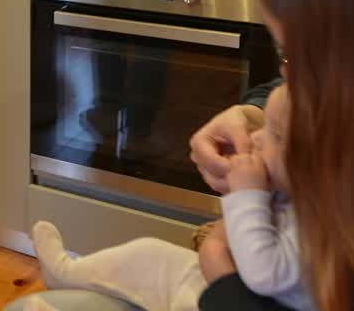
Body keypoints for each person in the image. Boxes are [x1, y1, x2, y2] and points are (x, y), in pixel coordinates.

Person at [12, 0, 354, 311]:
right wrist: (254, 116)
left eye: (298, 59)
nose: (285, 75)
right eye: (283, 55)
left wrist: (223, 275)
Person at [30, 83, 312, 311]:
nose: (258, 137)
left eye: (276, 135)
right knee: (148, 254)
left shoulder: (318, 230)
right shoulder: (293, 190)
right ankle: (67, 272)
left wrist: (247, 195)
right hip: (223, 285)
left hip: (237, 297)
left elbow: (264, 273)